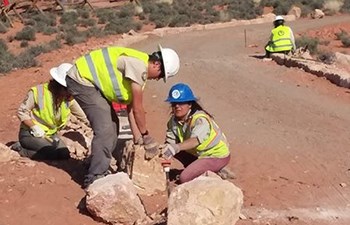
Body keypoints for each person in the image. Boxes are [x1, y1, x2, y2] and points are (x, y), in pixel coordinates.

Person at [65, 44, 180, 188]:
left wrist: (138, 139)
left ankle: (97, 164)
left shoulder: (139, 74)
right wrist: (146, 136)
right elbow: (138, 109)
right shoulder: (138, 67)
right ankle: (94, 177)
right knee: (105, 129)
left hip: (91, 83)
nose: (157, 79)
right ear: (157, 64)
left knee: (114, 126)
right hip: (81, 79)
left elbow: (130, 109)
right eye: (161, 76)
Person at [13, 63, 88, 160]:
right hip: (30, 133)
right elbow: (22, 112)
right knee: (50, 152)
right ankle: (21, 149)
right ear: (58, 85)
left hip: (50, 134)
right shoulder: (38, 92)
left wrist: (98, 125)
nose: (70, 93)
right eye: (67, 89)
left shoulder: (68, 98)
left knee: (64, 154)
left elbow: (84, 116)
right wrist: (34, 127)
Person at [159, 83, 231, 183]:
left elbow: (195, 141)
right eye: (174, 103)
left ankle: (213, 173)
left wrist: (176, 147)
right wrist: (166, 152)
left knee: (184, 178)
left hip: (215, 155)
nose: (177, 106)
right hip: (198, 154)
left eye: (181, 103)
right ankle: (200, 168)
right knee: (170, 149)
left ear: (190, 104)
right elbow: (170, 141)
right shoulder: (173, 121)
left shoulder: (200, 119)